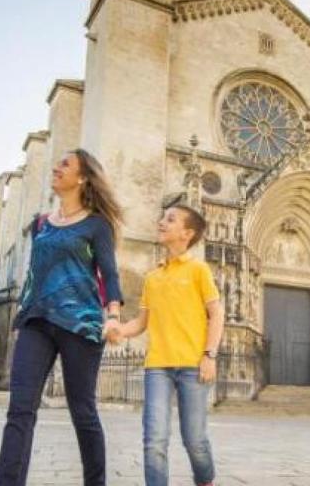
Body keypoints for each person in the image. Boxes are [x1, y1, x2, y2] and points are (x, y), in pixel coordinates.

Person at [0, 149, 124, 486]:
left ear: (82, 177)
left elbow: (108, 273)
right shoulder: (40, 224)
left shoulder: (98, 225)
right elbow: (35, 272)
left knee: (83, 412)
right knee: (20, 408)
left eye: (65, 164)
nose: (56, 167)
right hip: (36, 320)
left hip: (80, 324)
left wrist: (113, 315)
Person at [111, 205, 225, 486]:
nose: (161, 221)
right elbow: (141, 322)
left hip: (193, 366)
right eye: (163, 217)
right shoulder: (152, 277)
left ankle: (206, 480)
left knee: (194, 440)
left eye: (170, 219)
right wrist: (117, 330)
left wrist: (209, 355)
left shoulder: (199, 270)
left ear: (186, 234)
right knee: (154, 440)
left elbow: (217, 313)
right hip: (157, 367)